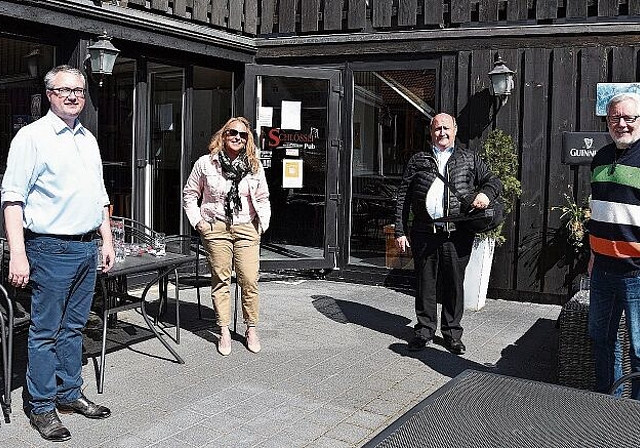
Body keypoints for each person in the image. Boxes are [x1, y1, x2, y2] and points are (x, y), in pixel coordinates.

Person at [1, 65, 115, 442]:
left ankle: (69, 394)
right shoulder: (31, 138)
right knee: (46, 331)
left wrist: (107, 241)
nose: (72, 96)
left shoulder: (87, 139)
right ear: (49, 94)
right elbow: (12, 199)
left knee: (74, 328)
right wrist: (19, 253)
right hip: (49, 248)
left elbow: (100, 197)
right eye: (64, 90)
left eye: (79, 91)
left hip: (86, 248)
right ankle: (42, 407)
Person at [394, 113, 502, 355]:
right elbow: (403, 197)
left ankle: (452, 333)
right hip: (424, 233)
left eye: (446, 128)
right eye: (436, 129)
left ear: (454, 130)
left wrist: (485, 194)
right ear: (431, 133)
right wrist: (400, 231)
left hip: (457, 234)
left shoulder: (470, 158)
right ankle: (424, 330)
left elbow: (493, 181)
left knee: (454, 284)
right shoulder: (418, 160)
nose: (441, 132)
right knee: (425, 284)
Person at [183, 117, 271, 356]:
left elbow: (262, 197)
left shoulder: (253, 165)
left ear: (247, 139)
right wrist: (199, 223)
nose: (237, 137)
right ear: (223, 135)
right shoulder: (205, 164)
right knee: (221, 280)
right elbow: (189, 195)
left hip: (246, 227)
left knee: (249, 280)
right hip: (216, 228)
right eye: (232, 133)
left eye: (243, 135)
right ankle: (223, 330)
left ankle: (251, 328)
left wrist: (262, 224)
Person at [588, 92, 640, 399]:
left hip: (636, 273)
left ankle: (635, 413)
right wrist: (593, 253)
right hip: (603, 271)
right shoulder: (601, 157)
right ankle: (607, 403)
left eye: (629, 118)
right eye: (614, 118)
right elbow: (599, 209)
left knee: (639, 347)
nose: (621, 124)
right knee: (602, 340)